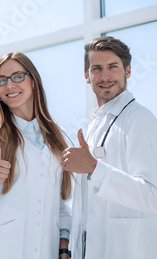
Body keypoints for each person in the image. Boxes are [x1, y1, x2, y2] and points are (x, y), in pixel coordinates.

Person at [0, 52, 73, 259]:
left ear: (33, 81)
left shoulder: (59, 137)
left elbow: (63, 202)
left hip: (46, 248)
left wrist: (64, 247)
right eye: (1, 80)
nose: (9, 85)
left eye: (17, 76)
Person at [61, 36, 157, 259]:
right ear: (87, 75)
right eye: (97, 68)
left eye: (113, 67)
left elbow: (152, 195)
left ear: (128, 70)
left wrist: (95, 169)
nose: (105, 76)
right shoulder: (96, 125)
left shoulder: (140, 120)